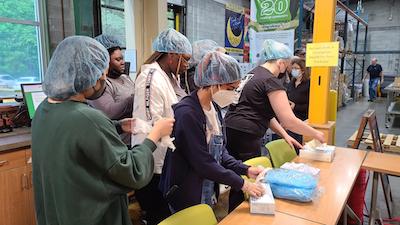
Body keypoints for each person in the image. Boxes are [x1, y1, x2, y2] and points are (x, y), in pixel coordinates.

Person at [31, 36, 175, 225]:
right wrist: (154, 135)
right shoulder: (88, 118)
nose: (103, 79)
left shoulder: (43, 110)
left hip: (59, 212)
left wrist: (117, 125)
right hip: (92, 216)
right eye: (101, 74)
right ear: (87, 75)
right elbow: (133, 172)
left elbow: (76, 138)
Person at [160, 51, 264, 213]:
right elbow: (203, 162)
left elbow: (220, 152)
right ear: (213, 83)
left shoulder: (214, 107)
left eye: (236, 89)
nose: (233, 94)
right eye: (231, 88)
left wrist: (245, 169)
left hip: (205, 186)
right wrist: (243, 184)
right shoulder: (187, 113)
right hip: (186, 190)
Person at [132, 28, 192, 225]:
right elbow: (152, 123)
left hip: (167, 158)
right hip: (153, 161)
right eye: (185, 59)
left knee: (167, 213)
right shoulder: (150, 77)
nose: (187, 65)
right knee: (157, 214)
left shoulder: (170, 77)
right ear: (172, 55)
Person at [88, 34, 135, 145]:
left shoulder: (125, 78)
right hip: (118, 143)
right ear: (105, 62)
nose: (122, 62)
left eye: (122, 58)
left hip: (133, 139)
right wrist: (134, 99)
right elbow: (109, 112)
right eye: (117, 59)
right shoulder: (101, 84)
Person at [286, 57, 311, 149]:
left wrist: (295, 106)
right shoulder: (291, 83)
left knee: (297, 146)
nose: (293, 70)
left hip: (302, 120)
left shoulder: (309, 84)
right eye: (292, 68)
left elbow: (310, 106)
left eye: (296, 68)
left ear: (303, 70)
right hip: (290, 119)